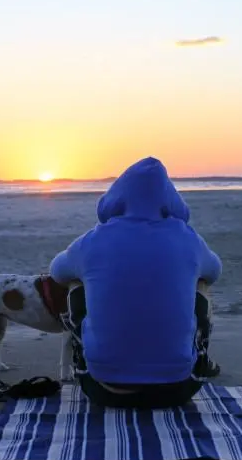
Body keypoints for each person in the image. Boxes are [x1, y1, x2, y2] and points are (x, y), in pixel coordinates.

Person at [49, 156, 222, 409]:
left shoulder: (93, 240)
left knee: (77, 282)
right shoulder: (188, 238)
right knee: (201, 284)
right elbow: (215, 272)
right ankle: (199, 356)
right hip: (179, 389)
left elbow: (57, 272)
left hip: (102, 389)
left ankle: (91, 354)